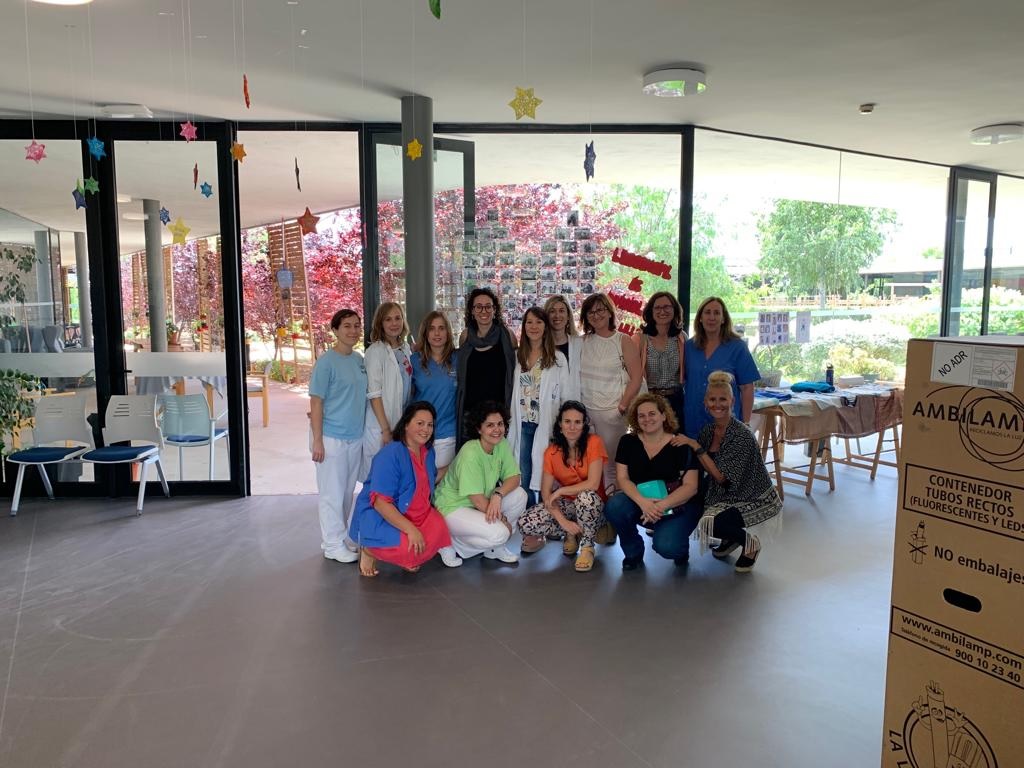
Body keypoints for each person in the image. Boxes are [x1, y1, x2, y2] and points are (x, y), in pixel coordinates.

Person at [680, 371, 782, 573]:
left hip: (751, 495)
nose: (717, 404)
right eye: (712, 399)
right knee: (689, 502)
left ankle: (750, 543)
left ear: (732, 401)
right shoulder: (708, 431)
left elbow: (722, 479)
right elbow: (700, 468)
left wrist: (695, 446)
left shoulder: (742, 435)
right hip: (723, 492)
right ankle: (729, 538)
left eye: (723, 399)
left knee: (712, 522)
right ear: (705, 403)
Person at [351, 402, 452, 577]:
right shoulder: (390, 454)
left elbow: (428, 479)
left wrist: (456, 465)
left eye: (430, 425)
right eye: (420, 423)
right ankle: (369, 550)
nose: (426, 429)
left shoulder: (428, 451)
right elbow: (380, 503)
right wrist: (411, 530)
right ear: (406, 425)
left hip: (417, 514)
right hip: (383, 515)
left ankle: (407, 556)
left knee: (440, 530)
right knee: (410, 548)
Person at [604, 393, 702, 570]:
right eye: (641, 415)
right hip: (642, 502)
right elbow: (622, 478)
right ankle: (633, 552)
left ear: (664, 416)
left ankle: (680, 548)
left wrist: (660, 506)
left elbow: (691, 487)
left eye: (652, 414)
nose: (647, 419)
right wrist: (644, 503)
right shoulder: (628, 442)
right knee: (615, 506)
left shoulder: (680, 444)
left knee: (667, 546)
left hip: (677, 505)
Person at [434, 401, 528, 566]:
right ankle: (447, 541)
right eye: (490, 425)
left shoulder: (501, 443)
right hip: (453, 507)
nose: (497, 429)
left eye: (500, 424)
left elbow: (514, 477)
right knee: (500, 533)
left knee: (520, 495)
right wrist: (502, 520)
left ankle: (494, 549)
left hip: (479, 502)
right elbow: (477, 501)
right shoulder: (470, 453)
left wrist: (498, 495)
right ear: (479, 429)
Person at [518, 401, 607, 572]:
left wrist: (561, 490)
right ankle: (571, 532)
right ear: (560, 424)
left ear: (584, 425)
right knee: (525, 523)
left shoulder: (594, 442)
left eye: (577, 422)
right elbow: (546, 492)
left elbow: (593, 484)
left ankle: (587, 546)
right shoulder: (551, 452)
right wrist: (563, 521)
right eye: (567, 421)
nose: (572, 427)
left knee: (585, 497)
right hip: (567, 505)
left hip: (594, 506)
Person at [309, 309, 368, 564]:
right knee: (331, 494)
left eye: (356, 325)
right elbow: (316, 402)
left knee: (345, 493)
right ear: (335, 330)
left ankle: (339, 538)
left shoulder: (358, 360)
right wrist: (318, 440)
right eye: (347, 326)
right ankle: (332, 545)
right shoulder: (326, 362)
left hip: (354, 436)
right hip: (331, 438)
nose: (353, 331)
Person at [578, 292, 643, 492]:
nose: (596, 315)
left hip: (611, 413)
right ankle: (593, 506)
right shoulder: (582, 342)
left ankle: (614, 507)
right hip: (586, 414)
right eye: (590, 312)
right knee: (588, 465)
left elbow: (636, 378)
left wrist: (621, 407)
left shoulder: (622, 340)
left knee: (612, 467)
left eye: (600, 310)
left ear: (609, 312)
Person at [508, 307, 571, 508]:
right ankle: (528, 514)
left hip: (546, 424)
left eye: (538, 322)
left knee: (547, 474)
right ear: (524, 326)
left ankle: (548, 514)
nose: (533, 326)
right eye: (529, 322)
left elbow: (566, 395)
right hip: (523, 423)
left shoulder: (557, 358)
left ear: (546, 326)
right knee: (524, 472)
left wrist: (564, 426)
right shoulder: (518, 356)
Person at [682, 296, 760, 439]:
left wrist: (746, 424)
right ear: (700, 318)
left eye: (717, 313)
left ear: (723, 319)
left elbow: (747, 387)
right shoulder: (688, 347)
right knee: (695, 453)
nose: (712, 317)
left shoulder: (737, 347)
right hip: (694, 420)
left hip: (726, 422)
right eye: (707, 312)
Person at [456, 287, 517, 445]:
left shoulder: (507, 336)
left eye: (488, 306)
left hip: (498, 416)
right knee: (470, 457)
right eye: (478, 306)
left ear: (494, 310)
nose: (484, 311)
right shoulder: (465, 336)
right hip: (470, 415)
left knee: (497, 458)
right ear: (472, 311)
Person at [362, 302, 413, 478]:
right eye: (388, 319)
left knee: (396, 475)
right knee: (378, 476)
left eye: (398, 318)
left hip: (400, 422)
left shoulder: (405, 348)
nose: (394, 323)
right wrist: (385, 429)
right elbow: (374, 394)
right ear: (380, 323)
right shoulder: (375, 351)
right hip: (381, 426)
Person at [411, 311, 458, 482]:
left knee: (441, 484)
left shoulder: (458, 359)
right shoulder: (414, 361)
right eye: (432, 329)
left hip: (448, 434)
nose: (437, 333)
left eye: (441, 328)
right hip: (419, 434)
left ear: (448, 332)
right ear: (425, 332)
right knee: (419, 483)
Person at [635, 291, 686, 429]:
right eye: (657, 307)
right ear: (650, 311)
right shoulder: (640, 339)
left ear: (674, 310)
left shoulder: (681, 338)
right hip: (648, 400)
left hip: (676, 400)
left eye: (667, 307)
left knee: (676, 439)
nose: (662, 311)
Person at [543, 294, 582, 396]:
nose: (557, 315)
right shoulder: (539, 346)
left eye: (561, 311)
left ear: (568, 316)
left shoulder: (579, 344)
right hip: (547, 402)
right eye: (552, 311)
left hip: (574, 402)